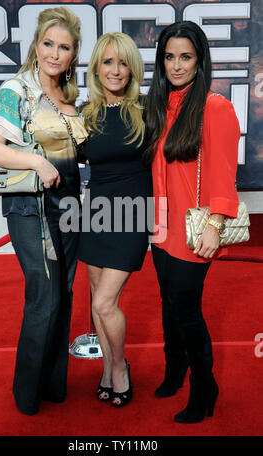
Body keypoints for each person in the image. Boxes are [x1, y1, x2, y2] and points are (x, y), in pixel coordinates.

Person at [0, 6, 88, 415]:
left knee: (63, 293)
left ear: (73, 53)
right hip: (31, 209)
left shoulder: (70, 95)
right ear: (36, 45)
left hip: (70, 207)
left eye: (63, 47)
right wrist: (37, 162)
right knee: (43, 296)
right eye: (48, 44)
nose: (54, 54)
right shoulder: (17, 89)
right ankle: (27, 395)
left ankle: (53, 386)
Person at [144, 21, 240, 423]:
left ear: (200, 61)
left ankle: (205, 386)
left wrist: (215, 225)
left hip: (193, 230)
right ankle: (175, 366)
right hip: (160, 228)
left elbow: (221, 172)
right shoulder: (158, 106)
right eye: (169, 56)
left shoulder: (214, 107)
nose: (177, 65)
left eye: (185, 57)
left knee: (186, 309)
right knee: (168, 303)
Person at [78, 32, 152, 408]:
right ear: (96, 68)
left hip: (134, 213)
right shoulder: (85, 115)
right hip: (95, 213)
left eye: (123, 62)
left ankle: (120, 367)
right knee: (96, 300)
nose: (115, 70)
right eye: (107, 62)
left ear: (133, 68)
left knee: (106, 302)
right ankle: (106, 370)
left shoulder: (146, 109)